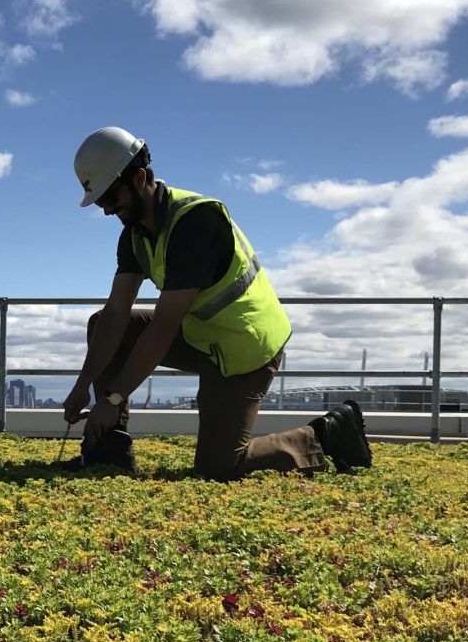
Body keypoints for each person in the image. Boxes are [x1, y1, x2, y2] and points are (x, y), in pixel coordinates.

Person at [62, 126, 371, 478]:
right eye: (100, 202)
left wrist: (112, 399)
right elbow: (116, 314)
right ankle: (111, 450)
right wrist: (82, 385)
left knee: (219, 466)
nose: (106, 210)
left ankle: (327, 435)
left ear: (140, 177)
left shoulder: (196, 222)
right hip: (203, 335)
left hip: (245, 348)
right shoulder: (133, 236)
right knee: (102, 322)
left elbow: (163, 328)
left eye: (110, 198)